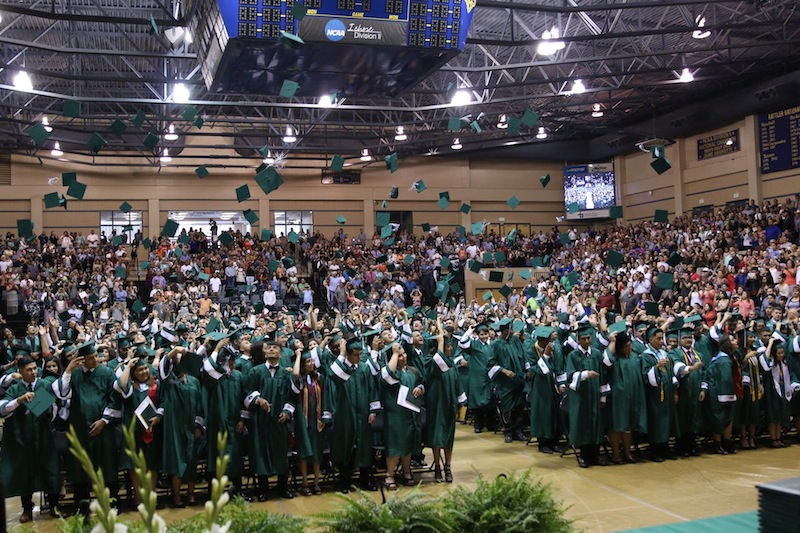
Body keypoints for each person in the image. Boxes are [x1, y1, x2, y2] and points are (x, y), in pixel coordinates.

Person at [53, 340, 121, 509]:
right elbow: (62, 394)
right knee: (80, 468)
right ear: (81, 360)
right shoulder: (73, 375)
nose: (95, 360)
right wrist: (68, 369)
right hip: (80, 429)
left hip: (103, 429)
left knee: (106, 466)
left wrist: (104, 421)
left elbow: (115, 399)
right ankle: (82, 506)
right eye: (90, 358)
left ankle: (110, 504)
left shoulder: (106, 373)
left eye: (96, 356)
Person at [0, 353, 62, 523]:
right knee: (24, 471)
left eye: (35, 368)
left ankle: (53, 506)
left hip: (43, 433)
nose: (34, 372)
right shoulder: (15, 388)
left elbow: (54, 408)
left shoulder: (44, 384)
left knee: (49, 468)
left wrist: (47, 408)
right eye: (29, 370)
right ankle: (27, 508)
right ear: (20, 371)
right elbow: (3, 409)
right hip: (22, 435)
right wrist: (19, 401)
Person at [243, 341, 299, 500]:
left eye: (275, 348)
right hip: (260, 420)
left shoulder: (287, 374)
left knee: (281, 453)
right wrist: (258, 399)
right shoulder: (255, 371)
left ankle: (283, 487)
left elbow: (293, 396)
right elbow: (246, 391)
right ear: (265, 354)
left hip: (279, 421)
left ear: (280, 354)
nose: (272, 349)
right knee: (261, 452)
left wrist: (287, 411)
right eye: (269, 348)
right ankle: (263, 489)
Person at [327, 336, 380, 493]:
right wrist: (341, 354)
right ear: (349, 354)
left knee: (364, 445)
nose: (359, 357)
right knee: (346, 445)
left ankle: (365, 480)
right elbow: (331, 374)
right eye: (356, 354)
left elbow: (372, 389)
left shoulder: (364, 368)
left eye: (360, 354)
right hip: (346, 413)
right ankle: (344, 481)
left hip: (363, 413)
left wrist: (372, 411)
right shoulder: (341, 369)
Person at [158, 345, 204, 507]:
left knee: (191, 460)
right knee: (177, 461)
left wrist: (199, 426)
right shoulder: (169, 381)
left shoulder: (195, 381)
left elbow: (200, 405)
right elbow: (162, 369)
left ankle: (191, 494)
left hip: (192, 427)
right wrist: (175, 351)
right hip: (175, 427)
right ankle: (177, 496)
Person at [115, 355, 161, 507]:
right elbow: (121, 384)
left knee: (153, 464)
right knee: (134, 465)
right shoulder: (129, 387)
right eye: (140, 369)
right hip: (133, 430)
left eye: (145, 368)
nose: (144, 372)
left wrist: (158, 417)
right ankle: (138, 496)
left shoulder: (155, 385)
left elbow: (163, 403)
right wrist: (127, 366)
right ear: (134, 373)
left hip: (152, 429)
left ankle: (152, 495)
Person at [424, 320, 465, 482]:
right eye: (448, 346)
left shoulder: (451, 364)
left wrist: (460, 401)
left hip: (449, 404)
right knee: (437, 436)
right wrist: (440, 339)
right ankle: (437, 467)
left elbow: (457, 383)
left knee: (448, 436)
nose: (451, 348)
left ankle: (448, 466)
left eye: (450, 346)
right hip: (436, 404)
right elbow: (437, 362)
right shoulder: (429, 360)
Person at [380, 341, 424, 489]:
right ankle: (390, 475)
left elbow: (422, 382)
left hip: (410, 413)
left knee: (408, 443)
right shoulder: (390, 372)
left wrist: (420, 388)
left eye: (404, 354)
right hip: (395, 415)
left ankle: (406, 471)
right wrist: (394, 353)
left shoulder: (412, 370)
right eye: (399, 355)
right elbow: (387, 376)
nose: (403, 357)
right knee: (395, 444)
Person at [565, 324, 608, 467]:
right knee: (583, 424)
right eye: (583, 338)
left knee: (595, 424)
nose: (587, 341)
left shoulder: (596, 353)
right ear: (578, 340)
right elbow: (570, 376)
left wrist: (603, 396)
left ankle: (595, 455)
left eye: (588, 338)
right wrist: (585, 374)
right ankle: (584, 456)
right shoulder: (573, 355)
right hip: (580, 397)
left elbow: (603, 376)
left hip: (595, 395)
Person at [603, 331, 647, 464]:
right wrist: (612, 342)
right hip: (618, 397)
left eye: (630, 345)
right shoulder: (614, 358)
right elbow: (606, 361)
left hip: (634, 395)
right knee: (617, 425)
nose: (629, 348)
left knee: (629, 425)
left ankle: (628, 452)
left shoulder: (635, 357)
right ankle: (615, 454)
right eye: (626, 346)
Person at [292, 340, 329, 496]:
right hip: (303, 421)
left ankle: (316, 482)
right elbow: (295, 374)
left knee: (317, 452)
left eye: (312, 360)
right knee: (304, 452)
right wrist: (299, 355)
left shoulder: (318, 379)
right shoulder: (299, 380)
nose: (311, 363)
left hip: (317, 421)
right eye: (308, 361)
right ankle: (305, 482)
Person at [488, 318, 527, 443]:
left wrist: (526, 370)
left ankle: (518, 431)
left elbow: (523, 355)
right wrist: (504, 371)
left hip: (518, 379)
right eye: (510, 329)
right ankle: (508, 431)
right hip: (505, 383)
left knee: (519, 406)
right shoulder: (495, 344)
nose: (512, 331)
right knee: (507, 407)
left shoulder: (515, 340)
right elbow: (490, 364)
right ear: (505, 331)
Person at [526, 326, 563, 454]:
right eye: (548, 341)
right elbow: (532, 372)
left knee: (555, 414)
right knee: (543, 415)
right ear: (541, 341)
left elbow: (559, 368)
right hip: (539, 387)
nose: (551, 343)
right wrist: (546, 356)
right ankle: (543, 443)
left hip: (553, 385)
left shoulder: (555, 350)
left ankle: (554, 442)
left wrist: (562, 384)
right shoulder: (531, 351)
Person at [457, 323, 495, 433]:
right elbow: (462, 342)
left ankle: (490, 424)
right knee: (476, 402)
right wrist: (469, 330)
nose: (484, 336)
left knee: (489, 401)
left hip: (489, 377)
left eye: (485, 334)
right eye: (481, 334)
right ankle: (478, 425)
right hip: (476, 378)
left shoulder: (491, 345)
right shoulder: (473, 345)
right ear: (477, 335)